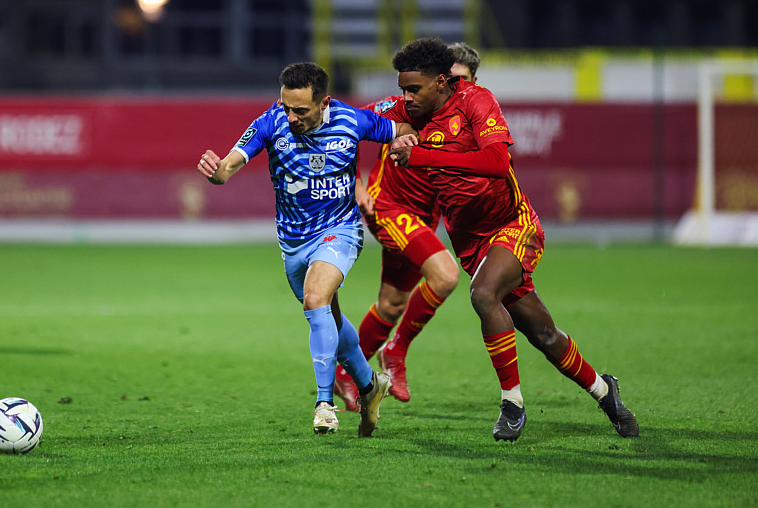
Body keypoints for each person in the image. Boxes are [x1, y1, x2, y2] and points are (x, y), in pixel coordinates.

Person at [385, 38, 639, 442]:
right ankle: (605, 391)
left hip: (513, 226)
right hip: (470, 243)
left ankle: (512, 404)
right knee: (543, 334)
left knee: (483, 295)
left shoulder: (477, 101)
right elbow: (362, 119)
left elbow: (497, 163)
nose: (405, 97)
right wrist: (320, 117)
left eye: (413, 89)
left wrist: (421, 156)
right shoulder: (408, 110)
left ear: (439, 82)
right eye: (402, 89)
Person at [197, 62, 415, 437]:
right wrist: (217, 171)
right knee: (327, 316)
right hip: (293, 242)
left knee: (315, 299)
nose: (291, 116)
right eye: (286, 107)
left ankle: (324, 404)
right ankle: (369, 386)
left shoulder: (352, 120)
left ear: (323, 103)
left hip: (340, 230)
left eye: (301, 110)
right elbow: (230, 164)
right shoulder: (270, 123)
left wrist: (403, 142)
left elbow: (403, 128)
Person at [333, 42, 481, 411]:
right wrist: (355, 183)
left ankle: (345, 375)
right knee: (445, 277)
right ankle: (395, 352)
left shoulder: (473, 116)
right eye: (446, 78)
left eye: (459, 80)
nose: (451, 86)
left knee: (391, 303)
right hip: (389, 207)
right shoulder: (405, 107)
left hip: (424, 218)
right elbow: (342, 129)